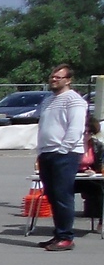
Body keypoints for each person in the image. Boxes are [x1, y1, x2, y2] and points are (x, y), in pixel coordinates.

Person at [35, 64, 88, 250]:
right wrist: (41, 150)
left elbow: (76, 128)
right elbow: (44, 126)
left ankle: (66, 237)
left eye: (59, 77)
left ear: (68, 80)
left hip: (65, 154)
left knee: (62, 195)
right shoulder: (48, 100)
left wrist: (64, 149)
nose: (54, 80)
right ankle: (58, 234)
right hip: (47, 153)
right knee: (52, 195)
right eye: (52, 77)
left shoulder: (74, 100)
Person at [74, 114, 104, 230]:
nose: (87, 135)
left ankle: (101, 222)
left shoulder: (98, 146)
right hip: (71, 177)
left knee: (101, 190)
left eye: (90, 133)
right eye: (84, 132)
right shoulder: (72, 144)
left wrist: (93, 170)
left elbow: (99, 165)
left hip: (88, 179)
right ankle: (64, 224)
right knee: (63, 193)